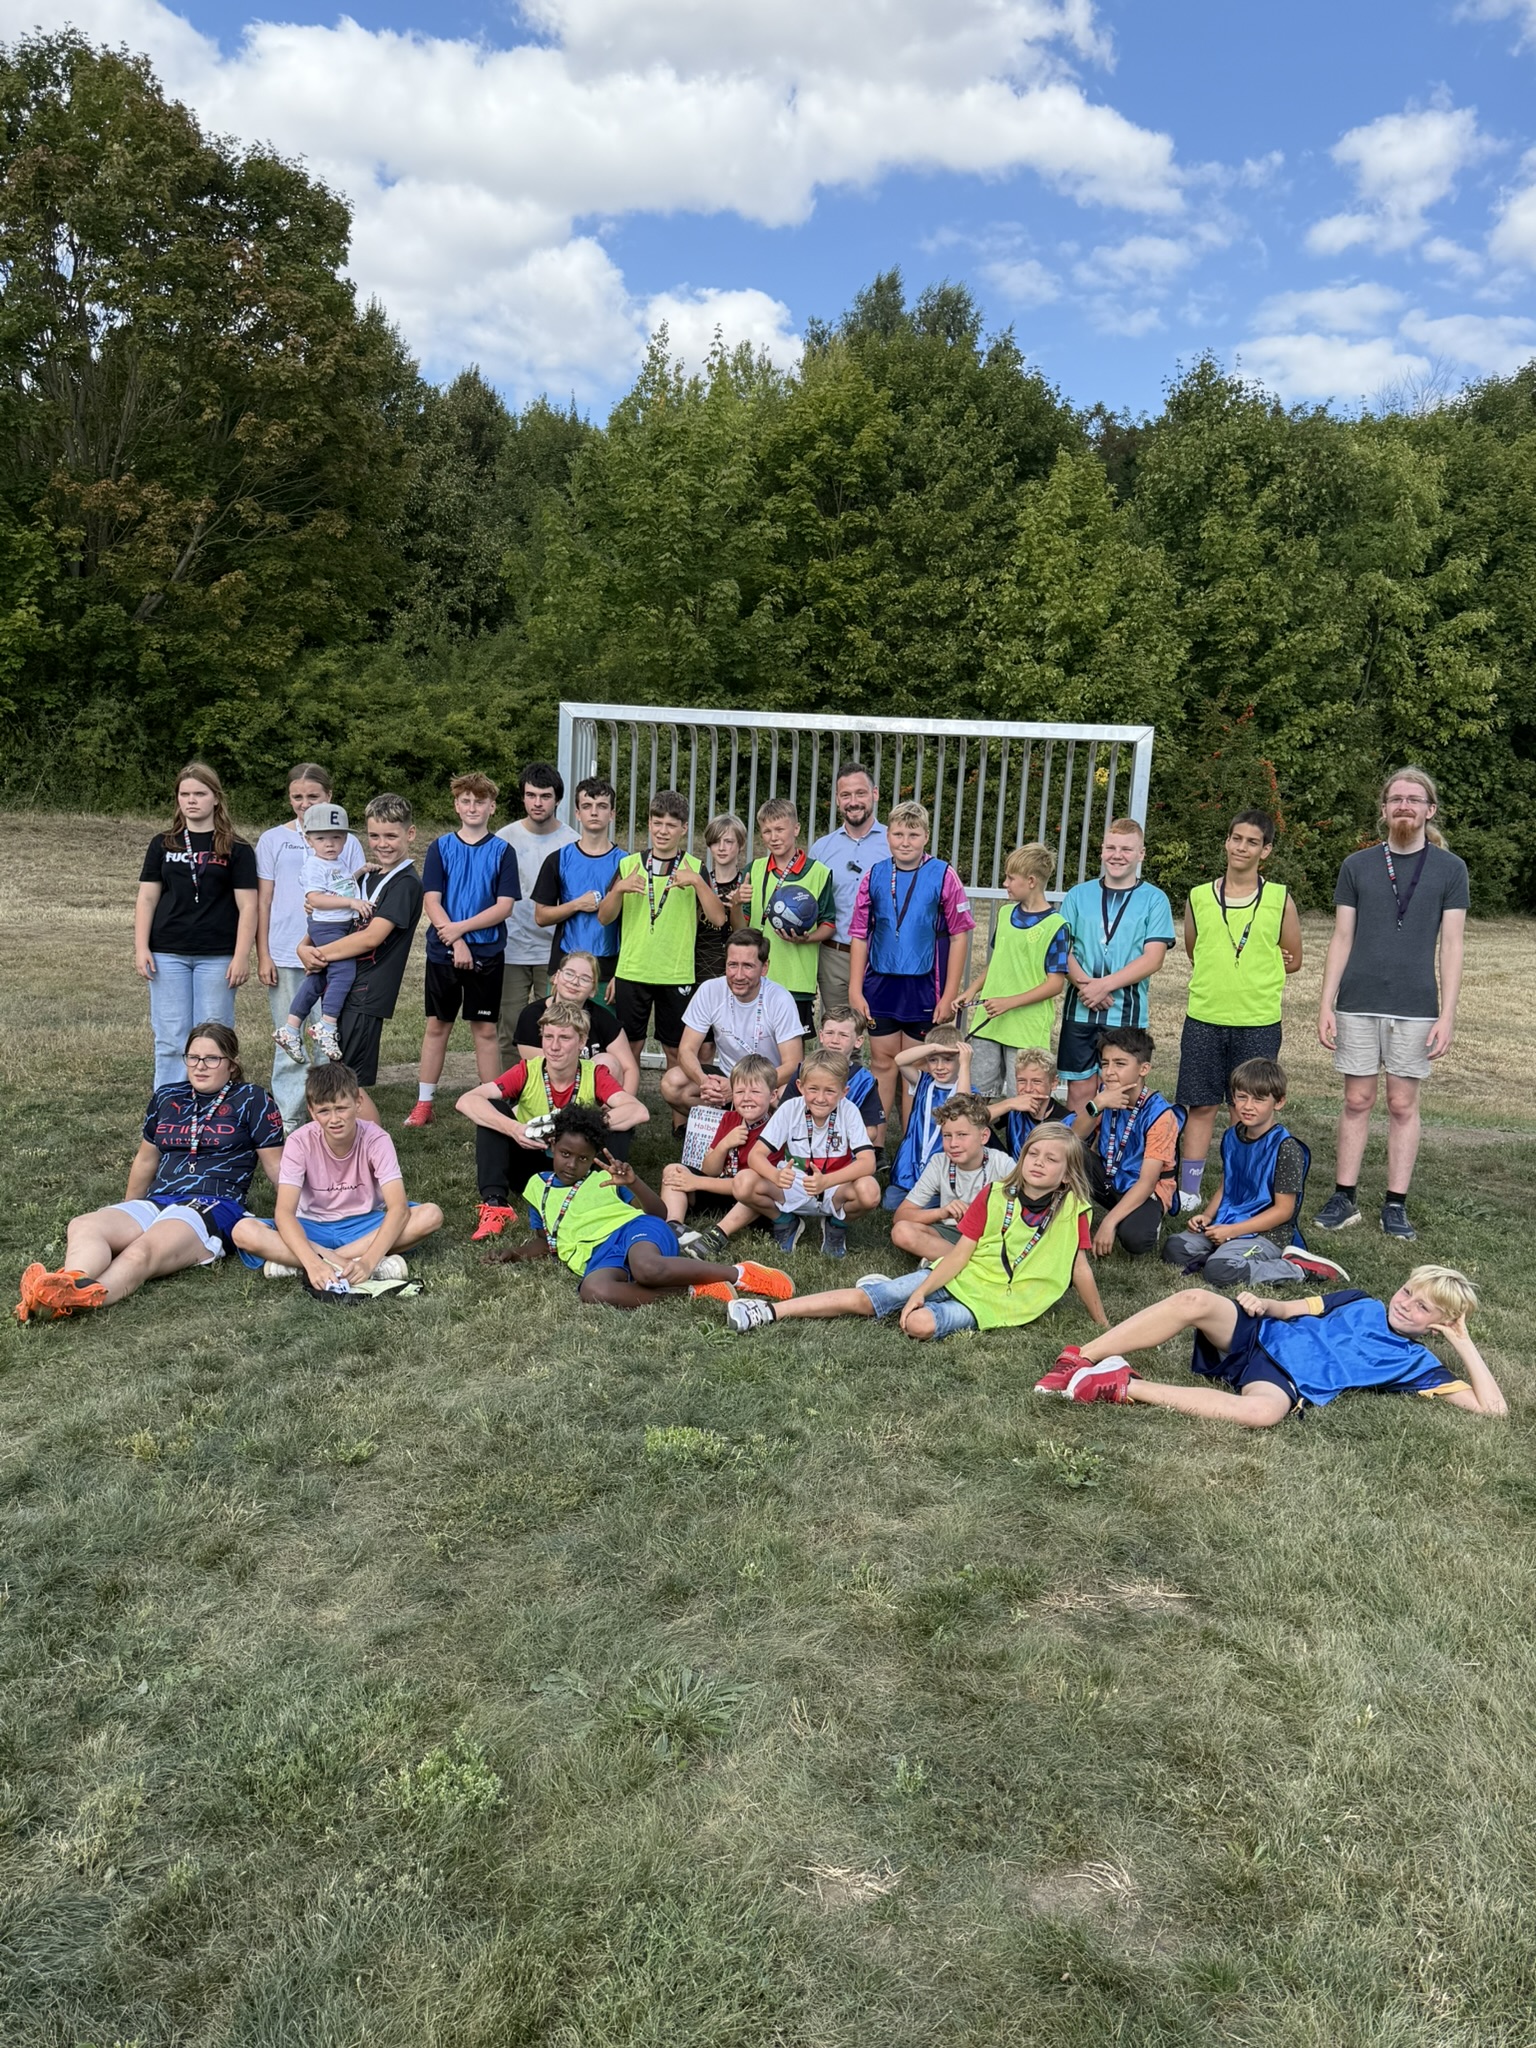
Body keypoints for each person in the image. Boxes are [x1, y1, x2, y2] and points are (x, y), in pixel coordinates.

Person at [725, 1123, 1107, 1341]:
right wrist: (921, 1290)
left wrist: (1102, 1325)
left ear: (1066, 1175)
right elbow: (960, 1256)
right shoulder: (993, 1195)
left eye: (1051, 1159)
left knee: (918, 1325)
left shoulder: (1074, 1210)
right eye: (1033, 1155)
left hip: (997, 1302)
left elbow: (1079, 1268)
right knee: (875, 1299)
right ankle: (769, 1311)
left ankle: (899, 1292)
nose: (1038, 1163)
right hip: (964, 1275)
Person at [16, 1024, 283, 1321]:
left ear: (232, 1064)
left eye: (211, 1059)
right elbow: (146, 1160)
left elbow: (275, 1165)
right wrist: (127, 1210)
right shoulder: (167, 1097)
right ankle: (71, 1280)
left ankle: (76, 1299)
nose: (200, 1066)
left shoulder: (253, 1099)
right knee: (85, 1224)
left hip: (214, 1204)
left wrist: (295, 1218)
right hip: (160, 1199)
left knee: (140, 1252)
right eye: (193, 1057)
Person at [1315, 767, 1470, 1242]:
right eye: (1396, 798)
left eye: (1414, 799)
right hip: (1358, 1001)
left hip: (1416, 1005)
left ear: (1430, 810)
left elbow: (1452, 944)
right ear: (1383, 809)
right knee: (1356, 1100)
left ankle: (1395, 1204)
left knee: (1402, 1104)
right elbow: (1342, 937)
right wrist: (1325, 1004)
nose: (1405, 805)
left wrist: (1447, 1014)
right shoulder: (1357, 865)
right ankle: (1344, 1197)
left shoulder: (1450, 869)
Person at [1044, 1268, 1506, 1424]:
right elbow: (1291, 1308)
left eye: (1423, 1309)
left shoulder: (1417, 1365)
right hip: (1260, 1334)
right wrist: (1262, 1303)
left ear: (1438, 1325)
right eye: (1407, 1292)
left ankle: (1120, 1384)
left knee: (1262, 1413)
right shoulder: (1359, 1301)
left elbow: (1493, 1410)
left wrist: (1463, 1342)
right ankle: (1080, 1357)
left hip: (1283, 1380)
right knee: (1195, 1299)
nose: (1405, 1305)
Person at [488, 1105, 793, 1312]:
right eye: (566, 1154)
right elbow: (546, 1240)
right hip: (598, 1255)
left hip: (636, 1232)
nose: (572, 1164)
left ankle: (739, 1273)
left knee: (646, 1269)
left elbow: (658, 1215)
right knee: (593, 1291)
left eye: (583, 1159)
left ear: (593, 1158)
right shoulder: (537, 1187)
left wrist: (633, 1182)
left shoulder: (605, 1179)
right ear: (553, 1146)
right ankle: (693, 1289)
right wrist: (514, 1253)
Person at [1175, 811, 1304, 1206]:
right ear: (1226, 842)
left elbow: (1293, 958)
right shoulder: (1199, 896)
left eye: (1252, 842)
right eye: (1236, 838)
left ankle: (1241, 1187)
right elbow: (1195, 950)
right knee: (1201, 1104)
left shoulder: (1279, 899)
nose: (1241, 847)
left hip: (1257, 1020)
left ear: (1265, 851)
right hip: (1205, 1016)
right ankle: (1189, 1190)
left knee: (1246, 1107)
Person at [232, 1061, 444, 1289]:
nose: (334, 1119)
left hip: (364, 1225)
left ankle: (301, 1263)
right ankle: (341, 1264)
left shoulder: (377, 1139)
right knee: (244, 1231)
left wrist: (368, 1262)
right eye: (324, 1111)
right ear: (311, 1111)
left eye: (341, 1108)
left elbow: (398, 1208)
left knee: (430, 1215)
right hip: (310, 1226)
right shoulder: (298, 1141)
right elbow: (284, 1213)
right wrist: (314, 1263)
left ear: (358, 1103)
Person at [455, 999, 649, 1239]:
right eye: (548, 1037)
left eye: (564, 1038)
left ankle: (604, 1195)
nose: (554, 1046)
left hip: (577, 1166)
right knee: (492, 1109)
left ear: (581, 1041)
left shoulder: (594, 1073)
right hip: (531, 1162)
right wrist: (514, 1128)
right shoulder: (528, 1070)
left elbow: (638, 1111)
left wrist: (581, 1124)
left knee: (619, 1124)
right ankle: (495, 1204)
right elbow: (466, 1101)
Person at [1161, 1059, 1346, 1288]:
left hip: (1266, 1234)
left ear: (1279, 1102)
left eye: (1259, 1099)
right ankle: (1227, 1254)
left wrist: (1232, 1231)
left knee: (1220, 1271)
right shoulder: (1231, 1136)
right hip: (1228, 1222)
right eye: (1242, 1097)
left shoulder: (1286, 1148)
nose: (1248, 1106)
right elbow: (1228, 1184)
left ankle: (1297, 1268)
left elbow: (1284, 1211)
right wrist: (1208, 1216)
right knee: (1175, 1247)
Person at [298, 794, 423, 1128]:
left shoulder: (406, 883)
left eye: (391, 836)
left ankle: (376, 1150)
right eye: (374, 836)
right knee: (338, 1076)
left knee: (349, 1082)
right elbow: (333, 919)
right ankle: (344, 1147)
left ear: (410, 834)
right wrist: (304, 946)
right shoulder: (367, 875)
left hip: (367, 991)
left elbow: (371, 938)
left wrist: (320, 955)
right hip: (345, 984)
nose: (382, 844)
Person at [847, 800, 974, 1121]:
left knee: (917, 1065)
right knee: (882, 1061)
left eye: (913, 835)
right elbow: (859, 934)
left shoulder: (944, 875)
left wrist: (949, 993)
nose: (905, 842)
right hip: (880, 985)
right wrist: (855, 989)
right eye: (899, 834)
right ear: (887, 835)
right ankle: (875, 1141)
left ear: (926, 837)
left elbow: (959, 936)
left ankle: (911, 1140)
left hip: (925, 987)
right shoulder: (874, 875)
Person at [135, 763, 258, 1089]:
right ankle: (170, 1105)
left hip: (217, 956)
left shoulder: (237, 848)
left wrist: (242, 956)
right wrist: (141, 947)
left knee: (215, 1038)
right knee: (170, 1037)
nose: (192, 800)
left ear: (215, 798)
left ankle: (212, 1104)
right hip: (167, 954)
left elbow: (249, 906)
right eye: (185, 794)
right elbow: (147, 899)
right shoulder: (163, 844)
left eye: (200, 794)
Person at [256, 762, 365, 1131]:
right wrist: (264, 954)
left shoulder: (345, 841)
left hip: (336, 947)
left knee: (328, 1036)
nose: (304, 803)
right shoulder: (273, 839)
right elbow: (264, 900)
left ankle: (328, 1115)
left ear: (328, 796)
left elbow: (353, 890)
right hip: (287, 951)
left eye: (313, 796)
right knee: (291, 1037)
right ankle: (289, 1119)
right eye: (297, 796)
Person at [407, 772, 520, 1127]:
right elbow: (431, 900)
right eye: (466, 801)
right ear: (456, 805)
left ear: (492, 807)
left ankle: (492, 1105)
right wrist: (455, 940)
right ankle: (424, 1103)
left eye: (480, 801)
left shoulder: (503, 851)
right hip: (444, 952)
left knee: (485, 1030)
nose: (473, 807)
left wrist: (462, 930)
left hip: (486, 953)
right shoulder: (440, 847)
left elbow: (504, 907)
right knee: (437, 1026)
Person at [597, 790, 725, 1068]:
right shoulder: (628, 865)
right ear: (649, 823)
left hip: (675, 973)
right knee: (629, 1046)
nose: (663, 831)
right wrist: (618, 889)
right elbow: (604, 918)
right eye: (657, 823)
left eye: (671, 825)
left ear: (684, 828)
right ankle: (628, 1095)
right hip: (633, 970)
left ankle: (673, 1098)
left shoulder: (695, 867)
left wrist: (698, 882)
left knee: (675, 1049)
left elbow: (718, 919)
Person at [1056, 818, 1175, 1115]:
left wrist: (1104, 986)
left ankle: (1117, 1144)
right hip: (1080, 1009)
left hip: (1126, 1012)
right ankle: (1080, 1144)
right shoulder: (1078, 895)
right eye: (1111, 847)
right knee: (1080, 1091)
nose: (1117, 855)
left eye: (1126, 849)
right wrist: (1087, 987)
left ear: (1141, 854)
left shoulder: (1155, 899)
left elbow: (1153, 958)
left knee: (1123, 1090)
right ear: (1101, 850)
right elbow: (1061, 949)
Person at [734, 1050, 883, 1259]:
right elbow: (755, 1155)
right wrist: (775, 1175)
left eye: (830, 1091)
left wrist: (827, 1181)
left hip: (834, 1185)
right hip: (794, 1183)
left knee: (870, 1191)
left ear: (844, 1092)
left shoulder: (849, 1111)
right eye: (813, 1089)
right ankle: (785, 1221)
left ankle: (836, 1225)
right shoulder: (789, 1109)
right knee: (742, 1182)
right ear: (800, 1087)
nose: (820, 1098)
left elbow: (868, 1163)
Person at [958, 842, 1069, 1098]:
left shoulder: (1057, 926)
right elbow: (997, 961)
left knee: (1023, 1098)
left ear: (1031, 881)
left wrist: (1009, 1003)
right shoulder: (1005, 913)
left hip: (1026, 1029)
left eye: (1010, 878)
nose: (1005, 883)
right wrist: (971, 990)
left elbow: (1055, 984)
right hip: (989, 1023)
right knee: (976, 1096)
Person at [661, 928, 803, 1120]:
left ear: (764, 968)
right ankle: (725, 1124)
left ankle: (765, 1130)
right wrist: (704, 1081)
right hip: (727, 1076)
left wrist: (740, 1087)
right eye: (732, 965)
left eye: (748, 966)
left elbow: (793, 1064)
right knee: (673, 1083)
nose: (738, 975)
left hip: (768, 1082)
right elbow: (686, 1050)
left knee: (785, 1095)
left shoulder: (780, 999)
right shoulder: (710, 990)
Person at [271, 802, 366, 1068]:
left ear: (345, 839)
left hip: (336, 925)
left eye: (336, 837)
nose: (329, 843)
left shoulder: (336, 862)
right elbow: (315, 898)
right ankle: (327, 1024)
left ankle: (290, 1028)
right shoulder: (314, 864)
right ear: (308, 839)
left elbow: (338, 887)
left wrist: (359, 873)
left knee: (318, 977)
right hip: (328, 927)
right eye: (321, 838)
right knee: (343, 972)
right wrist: (352, 903)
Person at [1073, 1025, 1181, 1258]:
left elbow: (1147, 1182)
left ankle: (1143, 1217)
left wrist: (1108, 1222)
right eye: (1105, 1063)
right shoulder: (1106, 1093)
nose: (1109, 1072)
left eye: (1120, 1064)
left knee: (1135, 1239)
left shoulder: (1161, 1115)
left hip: (1146, 1189)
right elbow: (1073, 1137)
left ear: (1144, 1069)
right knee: (1066, 1150)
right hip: (1110, 1177)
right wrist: (1097, 1105)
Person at [528, 775, 627, 1015]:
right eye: (587, 806)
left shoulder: (627, 863)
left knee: (604, 1034)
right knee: (560, 1031)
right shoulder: (558, 859)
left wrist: (621, 974)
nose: (594, 812)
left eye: (602, 806)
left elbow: (633, 924)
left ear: (612, 814)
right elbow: (541, 916)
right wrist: (576, 904)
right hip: (565, 965)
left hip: (609, 969)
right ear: (577, 813)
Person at [735, 797, 836, 1031]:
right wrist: (736, 904)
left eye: (780, 829)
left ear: (796, 829)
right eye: (767, 831)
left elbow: (829, 925)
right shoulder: (753, 870)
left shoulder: (819, 873)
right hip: (756, 979)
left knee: (792, 1048)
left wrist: (806, 938)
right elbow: (741, 928)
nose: (774, 837)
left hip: (796, 981)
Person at [660, 1053, 777, 1253]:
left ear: (772, 1096)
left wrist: (696, 1182)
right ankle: (673, 1226)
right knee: (673, 1170)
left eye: (755, 1092)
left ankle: (718, 1234)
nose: (746, 1098)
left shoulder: (776, 1128)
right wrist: (724, 1144)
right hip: (719, 1186)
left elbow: (750, 1185)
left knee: (749, 1185)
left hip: (750, 1203)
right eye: (739, 1092)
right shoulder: (730, 1119)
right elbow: (709, 1170)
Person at [495, 760, 578, 1039]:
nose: (537, 803)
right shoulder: (504, 838)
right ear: (523, 797)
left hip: (555, 952)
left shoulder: (572, 843)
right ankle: (512, 1072)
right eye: (531, 795)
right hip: (512, 948)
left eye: (545, 796)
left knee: (555, 1029)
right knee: (509, 1030)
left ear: (558, 800)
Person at [889, 1094, 1015, 1268]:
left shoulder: (1002, 1163)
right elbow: (901, 1215)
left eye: (962, 1135)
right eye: (947, 1135)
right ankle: (972, 1264)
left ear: (984, 1136)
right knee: (901, 1232)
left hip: (989, 1235)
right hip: (952, 1232)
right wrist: (941, 1213)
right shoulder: (939, 1162)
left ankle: (946, 1262)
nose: (953, 1143)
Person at [809, 763, 889, 1017]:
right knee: (839, 1033)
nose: (853, 802)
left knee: (881, 1033)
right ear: (837, 799)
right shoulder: (821, 849)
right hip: (835, 957)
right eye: (846, 795)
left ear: (875, 794)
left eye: (860, 793)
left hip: (883, 957)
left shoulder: (895, 843)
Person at [511, 950, 640, 1094]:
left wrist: (626, 1102)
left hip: (592, 1095)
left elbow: (630, 1068)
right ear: (556, 977)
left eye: (585, 979)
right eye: (569, 974)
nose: (574, 982)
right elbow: (548, 1066)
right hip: (545, 1090)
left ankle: (603, 1109)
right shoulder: (532, 1015)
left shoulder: (603, 1019)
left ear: (593, 990)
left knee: (608, 1062)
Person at [885, 1027, 972, 1210]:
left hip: (944, 1161)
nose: (939, 1067)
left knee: (927, 1202)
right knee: (890, 1203)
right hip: (913, 1160)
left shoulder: (966, 1089)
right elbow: (900, 1060)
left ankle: (936, 1198)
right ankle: (923, 1198)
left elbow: (962, 1105)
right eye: (933, 1060)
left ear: (960, 1059)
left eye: (947, 1059)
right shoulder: (923, 1082)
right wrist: (932, 1047)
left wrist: (965, 1065)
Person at [801, 1005, 885, 1147]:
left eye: (843, 1035)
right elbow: (785, 1115)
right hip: (803, 1145)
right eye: (829, 1033)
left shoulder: (864, 1080)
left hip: (843, 1149)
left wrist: (838, 1143)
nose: (835, 1040)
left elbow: (871, 1130)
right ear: (821, 1035)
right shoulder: (803, 1070)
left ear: (858, 1041)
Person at [694, 812, 750, 987]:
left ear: (741, 844)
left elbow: (744, 934)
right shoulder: (701, 883)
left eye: (728, 841)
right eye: (716, 842)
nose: (721, 848)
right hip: (699, 970)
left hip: (737, 974)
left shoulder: (747, 884)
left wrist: (736, 906)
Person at [989, 1045, 1073, 1157]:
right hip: (1013, 1167)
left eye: (1036, 1081)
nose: (1028, 1089)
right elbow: (972, 1121)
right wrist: (1008, 1104)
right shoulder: (1013, 1109)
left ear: (1053, 1083)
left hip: (1047, 1167)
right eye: (1022, 1081)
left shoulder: (1067, 1120)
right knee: (977, 1131)